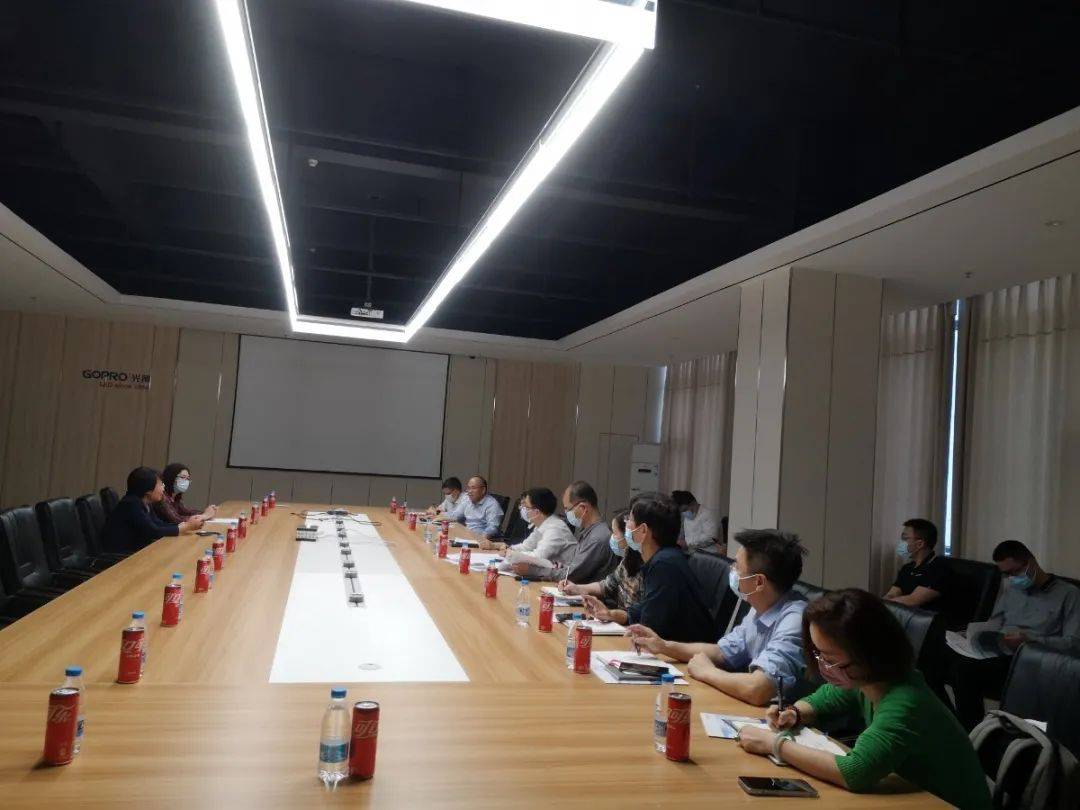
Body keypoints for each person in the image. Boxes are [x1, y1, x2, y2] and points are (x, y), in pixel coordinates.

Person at [736, 589, 992, 809]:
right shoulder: (868, 680)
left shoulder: (906, 702)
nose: (823, 668)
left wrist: (774, 744)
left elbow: (855, 772)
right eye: (818, 655)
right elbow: (826, 698)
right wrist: (794, 712)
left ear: (870, 653)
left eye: (831, 660)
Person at [626, 529, 810, 705]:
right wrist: (663, 646)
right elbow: (722, 652)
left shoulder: (794, 619)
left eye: (737, 566)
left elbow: (758, 688)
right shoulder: (761, 607)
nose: (732, 570)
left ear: (759, 582)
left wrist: (708, 672)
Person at [944, 540, 1080, 730]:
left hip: (1035, 660)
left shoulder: (1069, 594)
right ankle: (970, 731)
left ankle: (982, 733)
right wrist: (973, 633)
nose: (1012, 578)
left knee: (966, 672)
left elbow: (1073, 643)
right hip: (1003, 650)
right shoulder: (1012, 590)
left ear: (1031, 562)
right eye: (1006, 574)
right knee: (952, 661)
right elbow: (996, 621)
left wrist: (1030, 639)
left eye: (1015, 572)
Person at [614, 494, 715, 643]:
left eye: (629, 519)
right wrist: (616, 615)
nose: (626, 524)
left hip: (682, 652)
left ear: (643, 530)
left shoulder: (663, 565)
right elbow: (651, 605)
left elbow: (651, 628)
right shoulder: (667, 556)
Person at [563, 510, 643, 624]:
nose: (612, 537)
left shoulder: (647, 566)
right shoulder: (627, 560)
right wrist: (578, 588)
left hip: (631, 626)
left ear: (628, 536)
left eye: (614, 533)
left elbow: (641, 613)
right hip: (619, 623)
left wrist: (610, 614)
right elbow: (608, 585)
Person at [102, 466, 204, 554]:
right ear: (148, 489)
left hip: (135, 551)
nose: (163, 487)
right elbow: (153, 531)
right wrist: (186, 526)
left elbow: (158, 524)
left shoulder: (145, 503)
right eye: (160, 484)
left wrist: (183, 525)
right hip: (121, 556)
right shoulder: (131, 504)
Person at [491, 488, 576, 578]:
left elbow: (538, 557)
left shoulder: (556, 529)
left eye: (526, 507)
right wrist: (510, 549)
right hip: (552, 575)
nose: (522, 509)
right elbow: (526, 546)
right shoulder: (542, 524)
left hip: (566, 578)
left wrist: (512, 555)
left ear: (537, 512)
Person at [557, 481, 618, 584]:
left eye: (568, 509)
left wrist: (535, 571)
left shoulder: (598, 537)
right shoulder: (590, 532)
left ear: (583, 508)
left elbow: (570, 575)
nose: (566, 514)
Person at [883, 519, 949, 610]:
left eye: (905, 538)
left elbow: (913, 600)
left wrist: (883, 604)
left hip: (927, 618)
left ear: (919, 544)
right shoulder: (907, 568)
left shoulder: (938, 568)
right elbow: (892, 594)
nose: (901, 543)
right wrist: (881, 603)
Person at [153, 463, 217, 525]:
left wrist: (207, 512)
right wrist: (204, 516)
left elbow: (186, 512)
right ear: (171, 477)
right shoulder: (162, 496)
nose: (186, 481)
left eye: (188, 479)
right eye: (183, 477)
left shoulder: (175, 497)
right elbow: (176, 519)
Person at [446, 475, 504, 539]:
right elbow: (456, 515)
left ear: (483, 490)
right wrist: (440, 517)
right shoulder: (468, 500)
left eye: (473, 488)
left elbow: (492, 528)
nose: (469, 491)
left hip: (481, 538)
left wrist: (480, 539)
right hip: (467, 535)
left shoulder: (492, 504)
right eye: (468, 488)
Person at [671, 490, 724, 555]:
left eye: (685, 509)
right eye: (682, 511)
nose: (684, 513)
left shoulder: (709, 514)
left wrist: (687, 542)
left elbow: (711, 537)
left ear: (693, 503)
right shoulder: (685, 516)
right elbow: (682, 535)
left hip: (708, 554)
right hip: (691, 553)